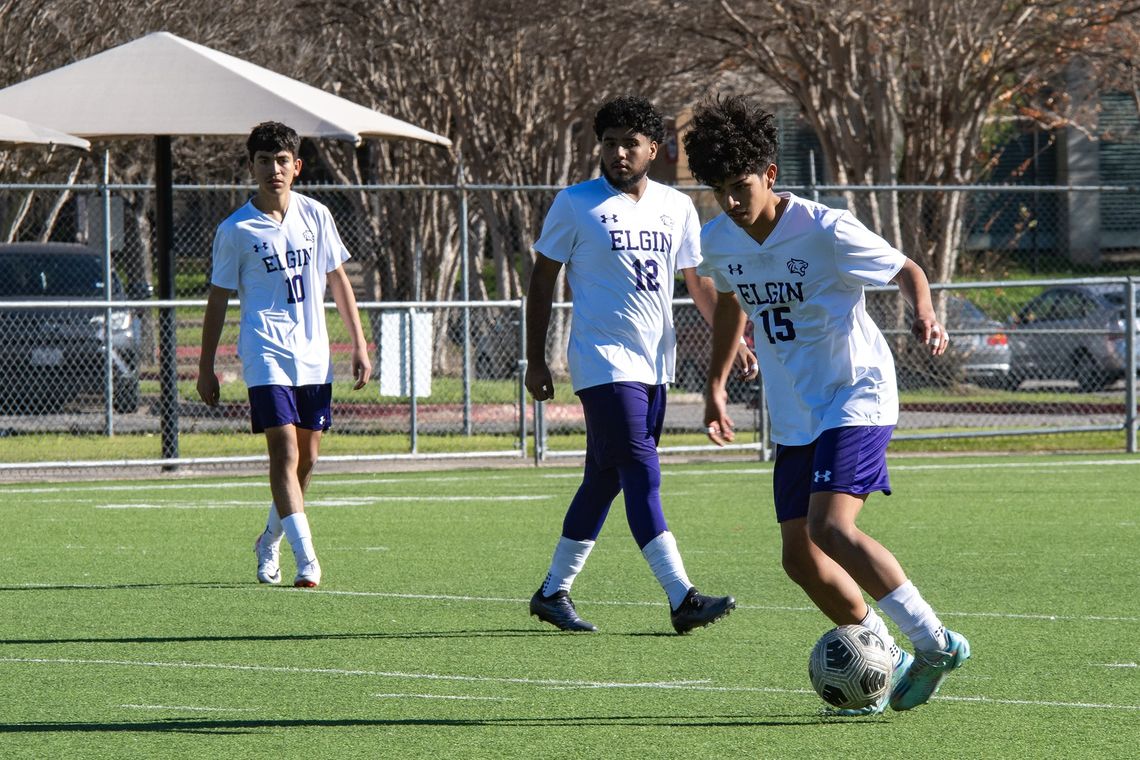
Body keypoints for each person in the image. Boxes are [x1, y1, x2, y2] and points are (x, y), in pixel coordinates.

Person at [683, 94, 970, 711]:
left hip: (856, 390)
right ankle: (878, 651)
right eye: (718, 191)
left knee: (831, 528)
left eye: (741, 187)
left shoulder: (825, 228)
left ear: (770, 176)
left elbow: (907, 269)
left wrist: (924, 312)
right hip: (793, 409)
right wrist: (715, 383)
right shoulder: (719, 239)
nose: (732, 203)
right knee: (800, 559)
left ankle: (934, 641)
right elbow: (731, 299)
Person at [525, 95, 757, 634]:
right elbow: (542, 281)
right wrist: (535, 359)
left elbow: (697, 282)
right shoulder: (575, 203)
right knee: (641, 472)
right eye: (609, 142)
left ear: (655, 148)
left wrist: (734, 339)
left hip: (655, 363)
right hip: (604, 361)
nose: (619, 152)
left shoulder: (675, 207)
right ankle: (682, 597)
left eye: (631, 142)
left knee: (604, 479)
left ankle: (552, 591)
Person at [197, 121, 371, 589]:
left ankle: (268, 539)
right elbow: (217, 299)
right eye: (262, 161)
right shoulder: (235, 230)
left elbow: (338, 280)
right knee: (285, 450)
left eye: (281, 161)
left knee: (307, 459)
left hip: (313, 354)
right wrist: (206, 365)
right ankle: (307, 558)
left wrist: (358, 343)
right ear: (250, 166)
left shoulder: (316, 215)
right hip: (265, 352)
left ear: (296, 167)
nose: (272, 169)